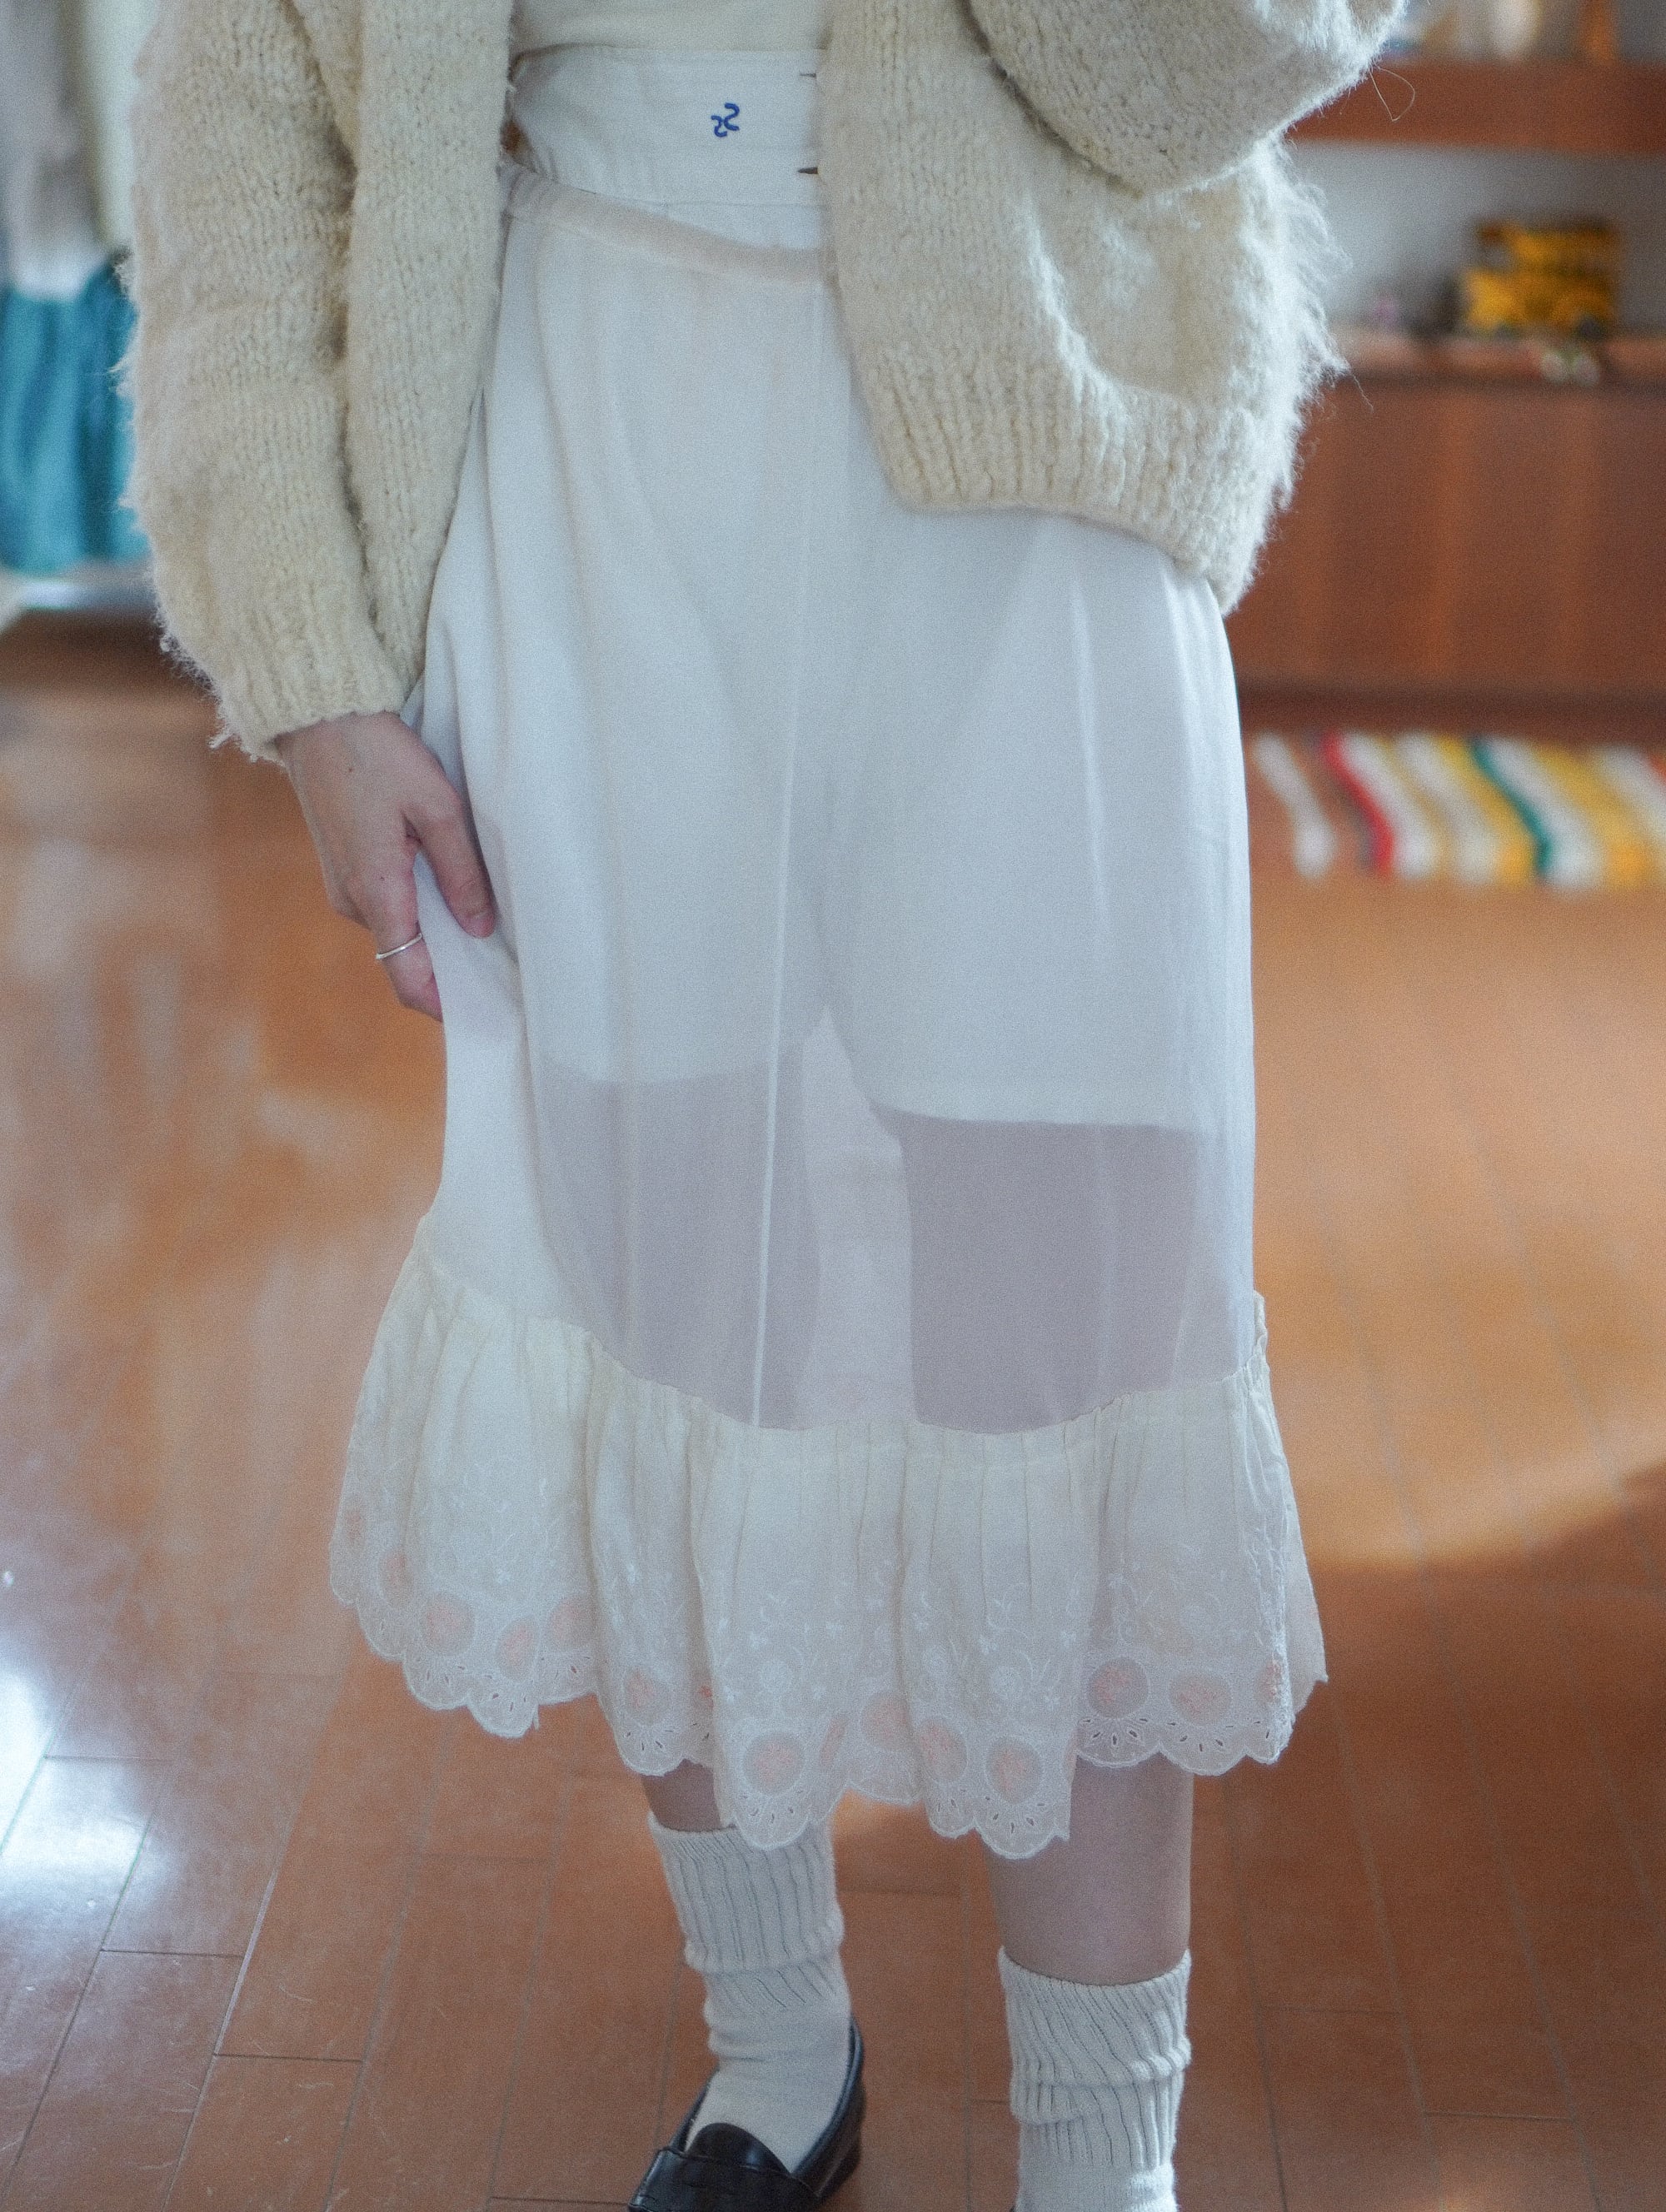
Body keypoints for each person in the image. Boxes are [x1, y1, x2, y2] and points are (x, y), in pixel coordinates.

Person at [126, 1, 1400, 2205]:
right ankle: (776, 2062)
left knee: (1079, 1336)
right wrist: (310, 668)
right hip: (578, 466)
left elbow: (1227, 60)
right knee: (668, 1302)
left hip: (1040, 471)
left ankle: (1106, 2166)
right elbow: (239, 113)